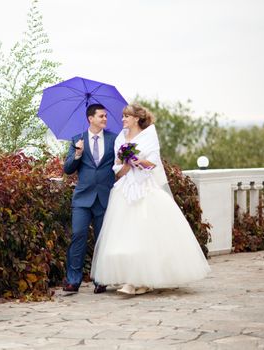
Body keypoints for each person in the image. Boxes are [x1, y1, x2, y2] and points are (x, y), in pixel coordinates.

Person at [90, 103, 211, 295]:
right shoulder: (120, 137)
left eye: (126, 116)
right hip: (125, 190)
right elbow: (117, 167)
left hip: (145, 189)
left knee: (144, 235)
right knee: (125, 236)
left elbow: (153, 163)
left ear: (136, 118)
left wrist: (137, 161)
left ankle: (142, 281)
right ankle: (131, 278)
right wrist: (126, 165)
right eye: (122, 116)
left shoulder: (149, 135)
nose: (122, 119)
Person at [62, 104, 118, 294]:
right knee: (78, 236)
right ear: (90, 118)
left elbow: (119, 165)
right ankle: (73, 280)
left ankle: (101, 279)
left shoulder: (113, 139)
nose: (105, 119)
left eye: (105, 116)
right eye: (101, 116)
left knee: (102, 240)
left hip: (105, 196)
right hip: (82, 199)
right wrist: (77, 153)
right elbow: (68, 169)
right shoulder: (77, 139)